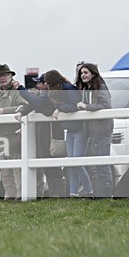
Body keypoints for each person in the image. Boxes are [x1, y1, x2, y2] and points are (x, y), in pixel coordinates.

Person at [15, 74, 67, 197]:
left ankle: (59, 194)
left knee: (54, 167)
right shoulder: (42, 96)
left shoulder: (52, 96)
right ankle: (55, 195)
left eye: (39, 83)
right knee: (47, 167)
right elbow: (33, 105)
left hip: (52, 135)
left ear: (46, 84)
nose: (37, 86)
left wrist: (21, 89)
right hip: (44, 136)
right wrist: (22, 112)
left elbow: (39, 105)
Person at [0, 64, 27, 200]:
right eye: (0, 76)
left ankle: (20, 196)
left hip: (14, 138)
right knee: (6, 171)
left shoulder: (17, 91)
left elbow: (24, 106)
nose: (2, 78)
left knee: (17, 171)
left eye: (5, 76)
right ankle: (9, 196)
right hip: (1, 138)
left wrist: (2, 112)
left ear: (11, 76)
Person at [47, 69, 93, 198]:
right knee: (71, 163)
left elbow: (74, 106)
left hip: (79, 130)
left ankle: (89, 191)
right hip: (71, 129)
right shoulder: (60, 90)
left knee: (76, 162)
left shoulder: (67, 89)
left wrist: (59, 108)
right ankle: (73, 193)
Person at [75, 63, 114, 198]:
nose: (82, 75)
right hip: (92, 131)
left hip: (102, 130)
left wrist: (86, 106)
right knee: (97, 166)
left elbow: (105, 105)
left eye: (85, 72)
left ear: (93, 74)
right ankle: (101, 194)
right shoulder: (87, 89)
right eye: (81, 73)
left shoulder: (100, 88)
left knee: (103, 165)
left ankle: (106, 194)